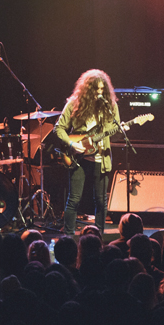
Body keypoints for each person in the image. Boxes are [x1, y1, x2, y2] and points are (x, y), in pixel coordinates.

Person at [55, 69, 121, 236]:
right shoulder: (74, 104)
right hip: (78, 158)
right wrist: (71, 143)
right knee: (74, 199)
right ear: (87, 89)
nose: (99, 92)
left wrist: (122, 128)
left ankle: (97, 236)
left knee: (101, 200)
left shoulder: (110, 105)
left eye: (102, 89)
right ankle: (68, 236)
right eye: (95, 89)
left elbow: (117, 125)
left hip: (101, 158)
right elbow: (59, 128)